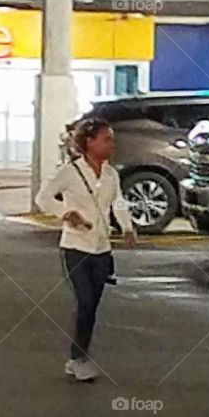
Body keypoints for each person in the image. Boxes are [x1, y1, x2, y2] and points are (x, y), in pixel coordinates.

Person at [36, 117, 136, 382]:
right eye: (106, 139)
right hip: (75, 248)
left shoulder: (111, 174)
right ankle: (79, 358)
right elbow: (43, 198)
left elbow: (119, 202)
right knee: (86, 301)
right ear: (89, 142)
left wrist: (127, 227)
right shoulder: (69, 172)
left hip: (102, 249)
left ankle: (76, 356)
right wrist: (66, 213)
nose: (111, 144)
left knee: (91, 308)